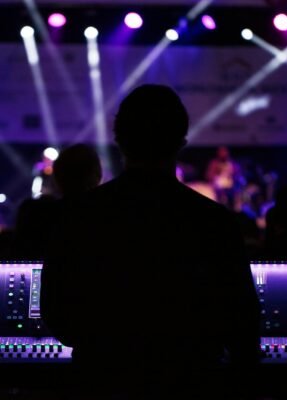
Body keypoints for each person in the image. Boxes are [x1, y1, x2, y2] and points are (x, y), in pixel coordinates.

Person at [41, 85, 260, 399]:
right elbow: (242, 325)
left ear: (119, 141)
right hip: (192, 385)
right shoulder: (215, 222)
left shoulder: (78, 216)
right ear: (181, 142)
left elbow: (56, 314)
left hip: (100, 383)